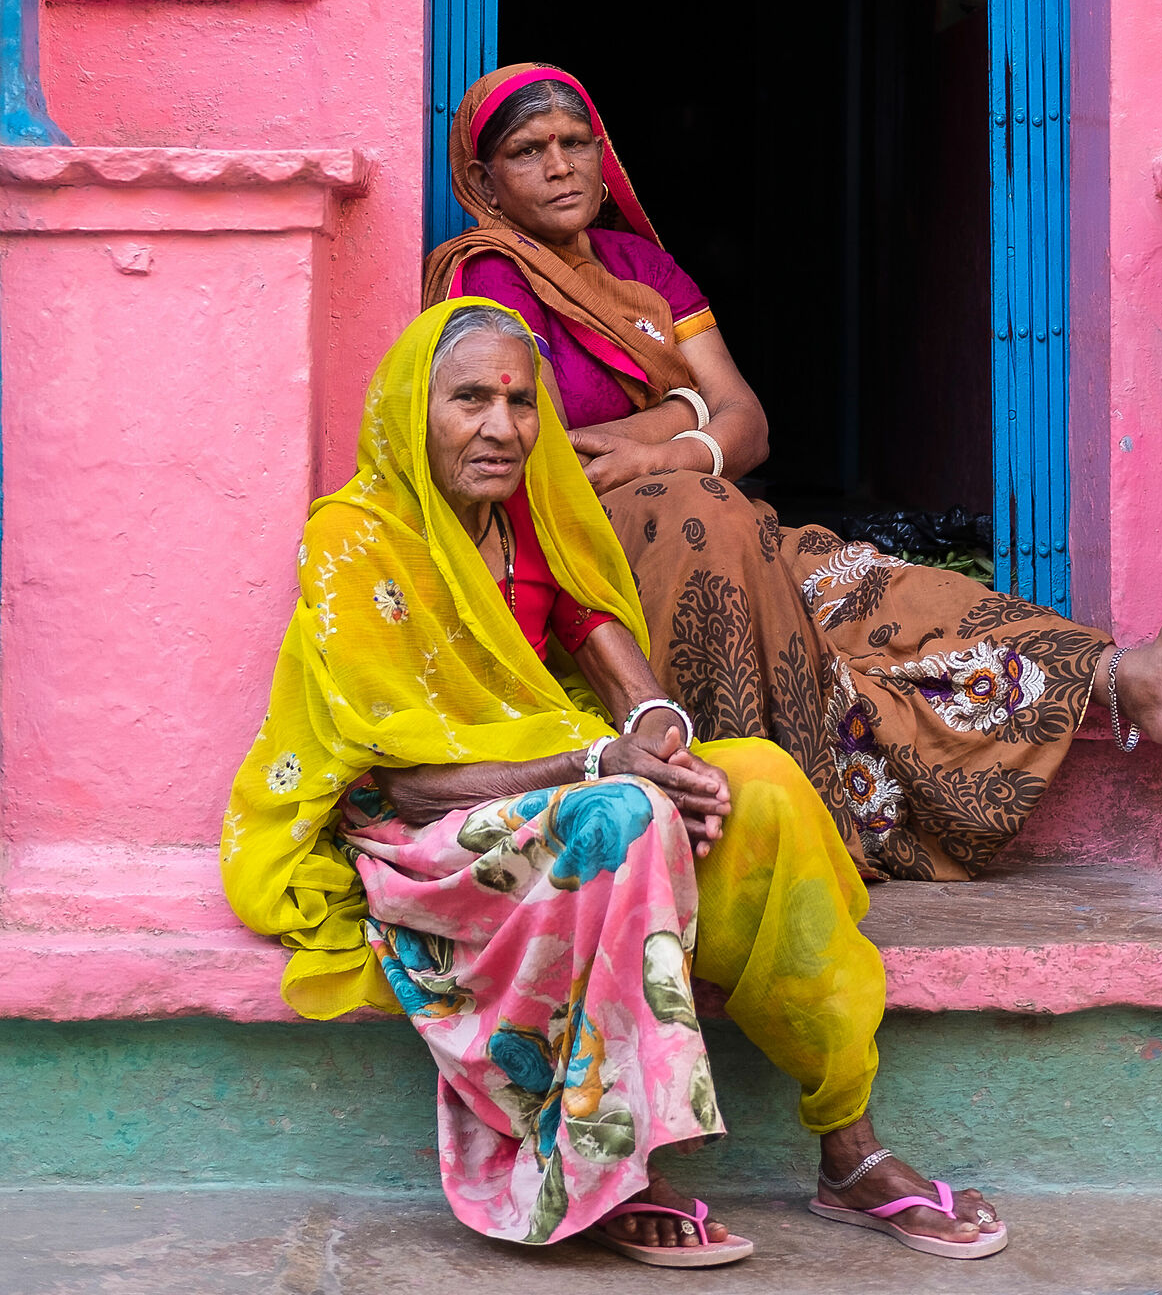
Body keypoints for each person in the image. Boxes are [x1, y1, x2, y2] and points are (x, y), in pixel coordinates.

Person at [222, 299, 1009, 1263]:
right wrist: (604, 762)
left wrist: (656, 728)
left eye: (522, 404)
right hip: (421, 826)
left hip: (558, 783)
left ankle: (847, 1145)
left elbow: (599, 639)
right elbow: (409, 777)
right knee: (622, 814)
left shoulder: (529, 520)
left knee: (758, 779)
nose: (503, 428)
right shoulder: (357, 535)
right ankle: (611, 1162)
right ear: (408, 409)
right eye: (470, 399)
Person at [423, 68, 1162, 884]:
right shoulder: (483, 279)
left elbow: (749, 424)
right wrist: (683, 407)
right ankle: (763, 825)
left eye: (574, 143)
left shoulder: (645, 272)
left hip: (705, 510)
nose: (560, 166)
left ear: (603, 155)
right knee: (708, 521)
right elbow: (543, 447)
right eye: (528, 152)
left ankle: (1128, 681)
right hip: (596, 546)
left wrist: (670, 437)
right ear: (484, 182)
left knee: (874, 590)